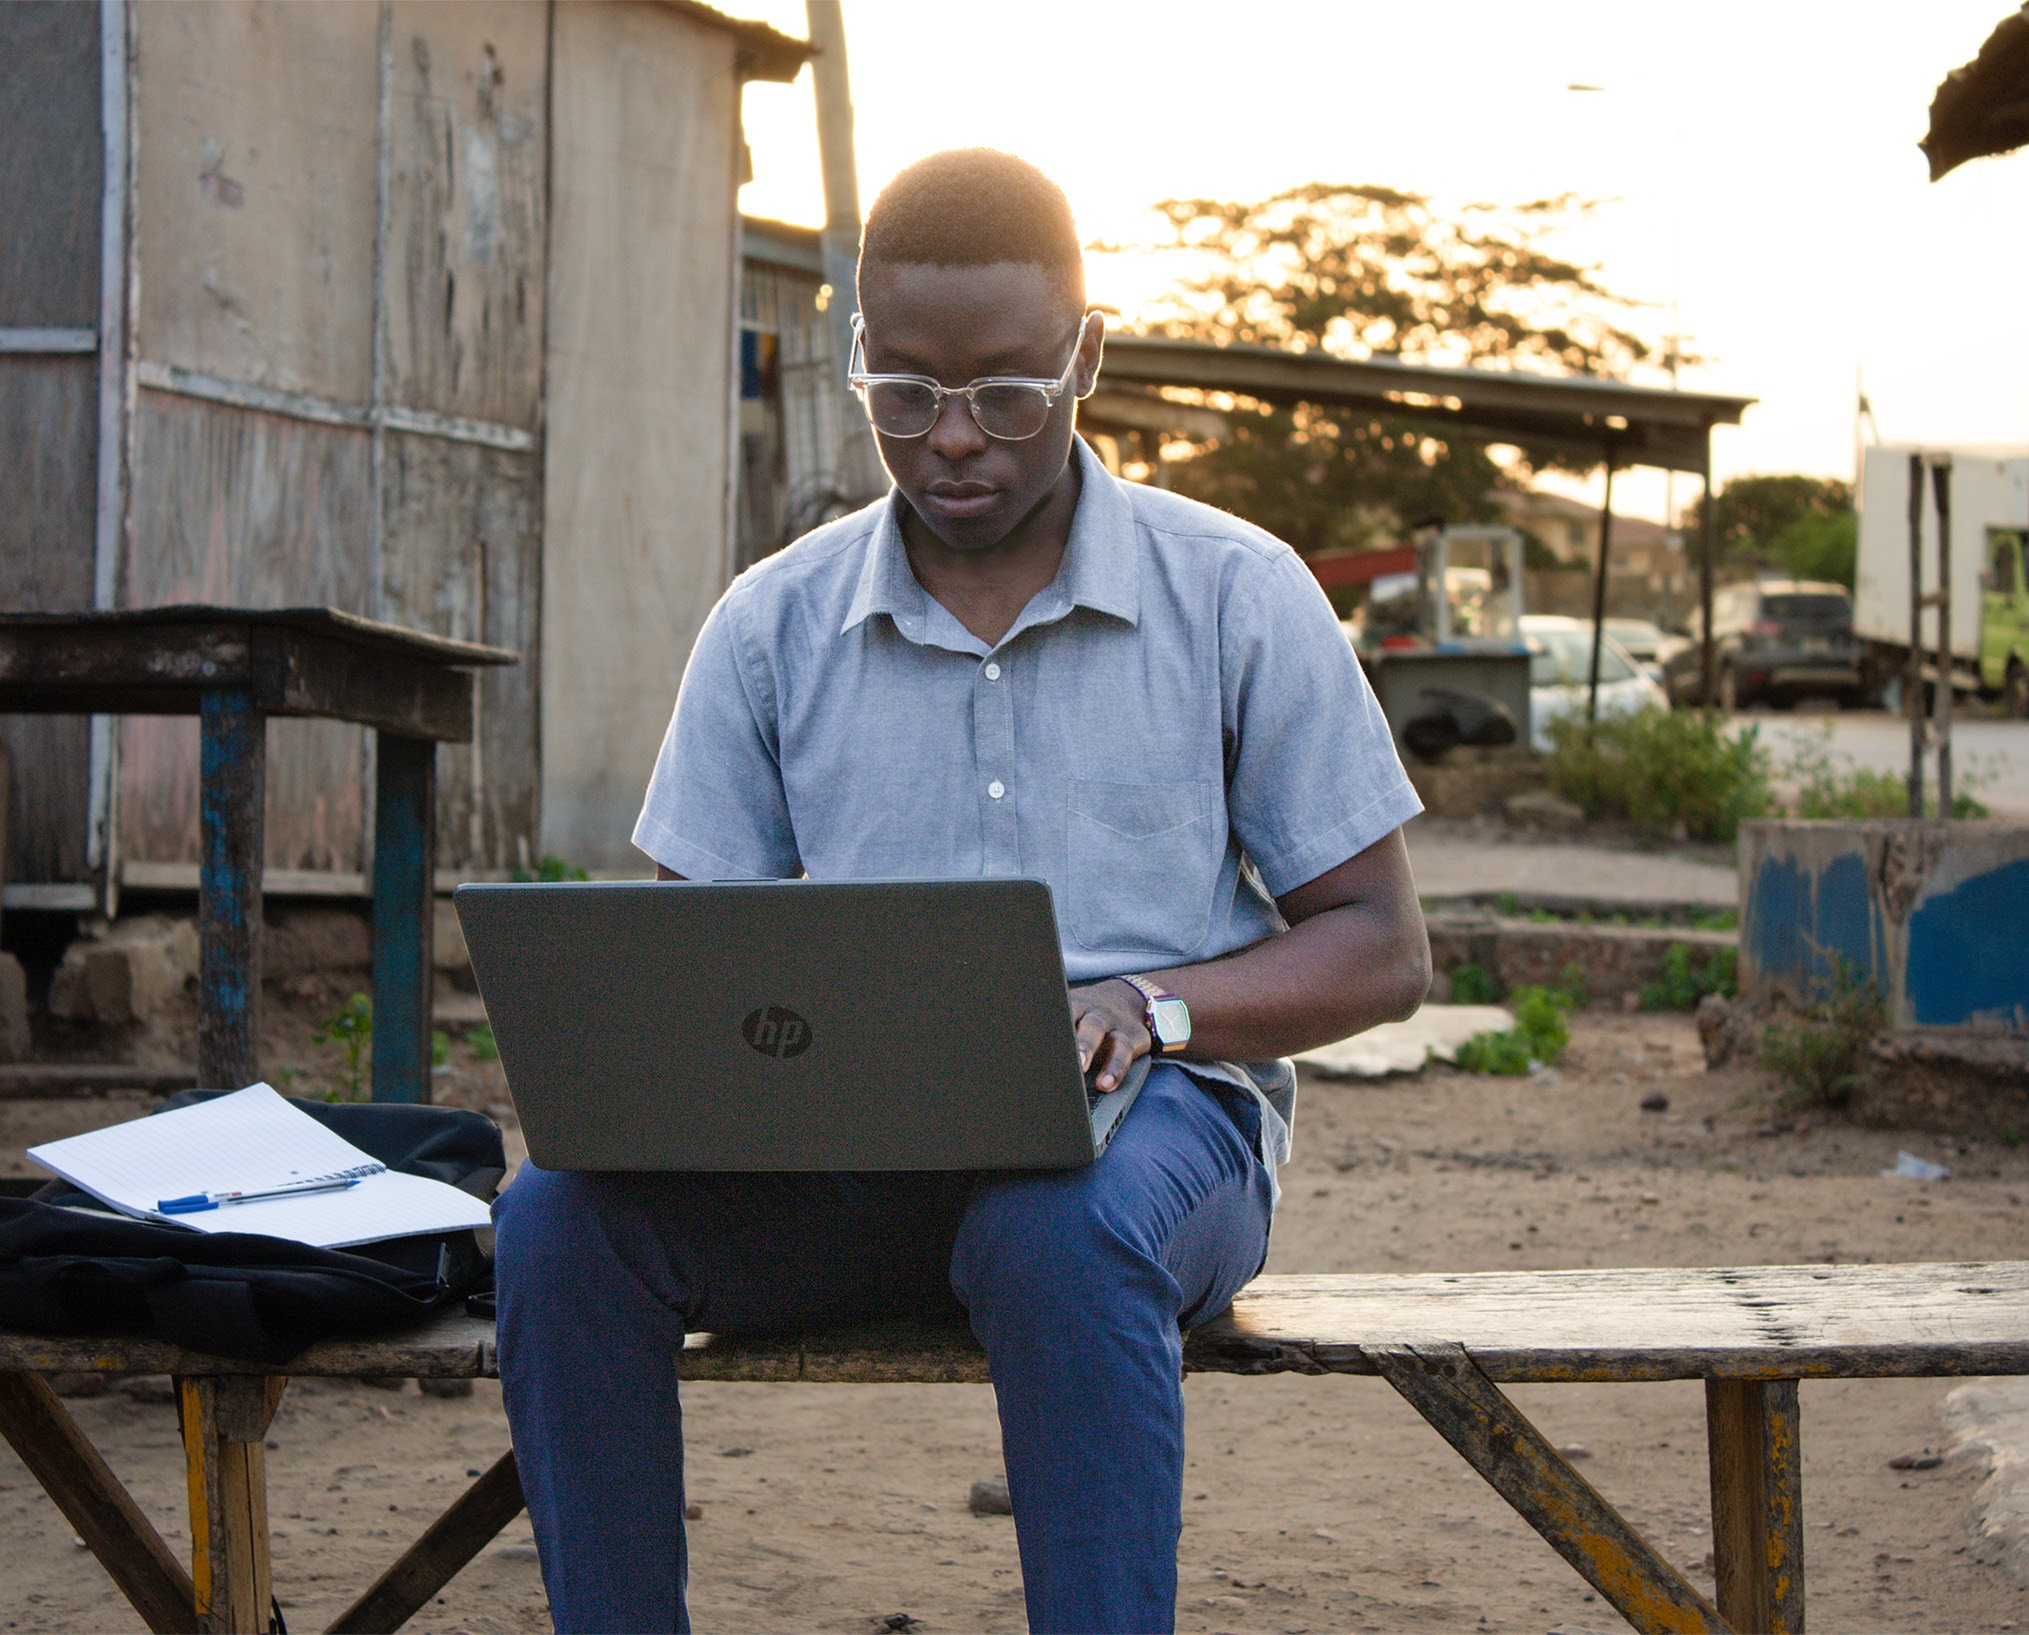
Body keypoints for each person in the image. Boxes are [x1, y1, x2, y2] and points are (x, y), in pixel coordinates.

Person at [491, 148, 1431, 1635]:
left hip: (1157, 1145)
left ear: (1087, 358)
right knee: (556, 1223)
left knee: (1049, 1230)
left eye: (1006, 392)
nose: (953, 442)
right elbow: (681, 968)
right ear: (854, 361)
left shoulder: (1235, 594)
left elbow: (1382, 948)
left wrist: (1152, 1005)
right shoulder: (772, 626)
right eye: (905, 393)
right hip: (853, 1162)